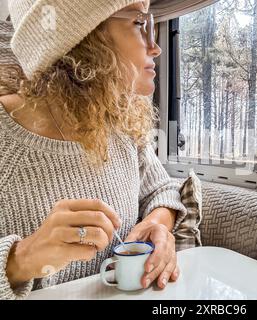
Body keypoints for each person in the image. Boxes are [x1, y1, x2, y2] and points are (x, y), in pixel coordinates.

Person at [0, 0, 188, 300]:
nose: (156, 48)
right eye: (140, 24)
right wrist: (20, 260)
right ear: (84, 40)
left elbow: (162, 190)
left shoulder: (120, 124)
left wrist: (156, 226)